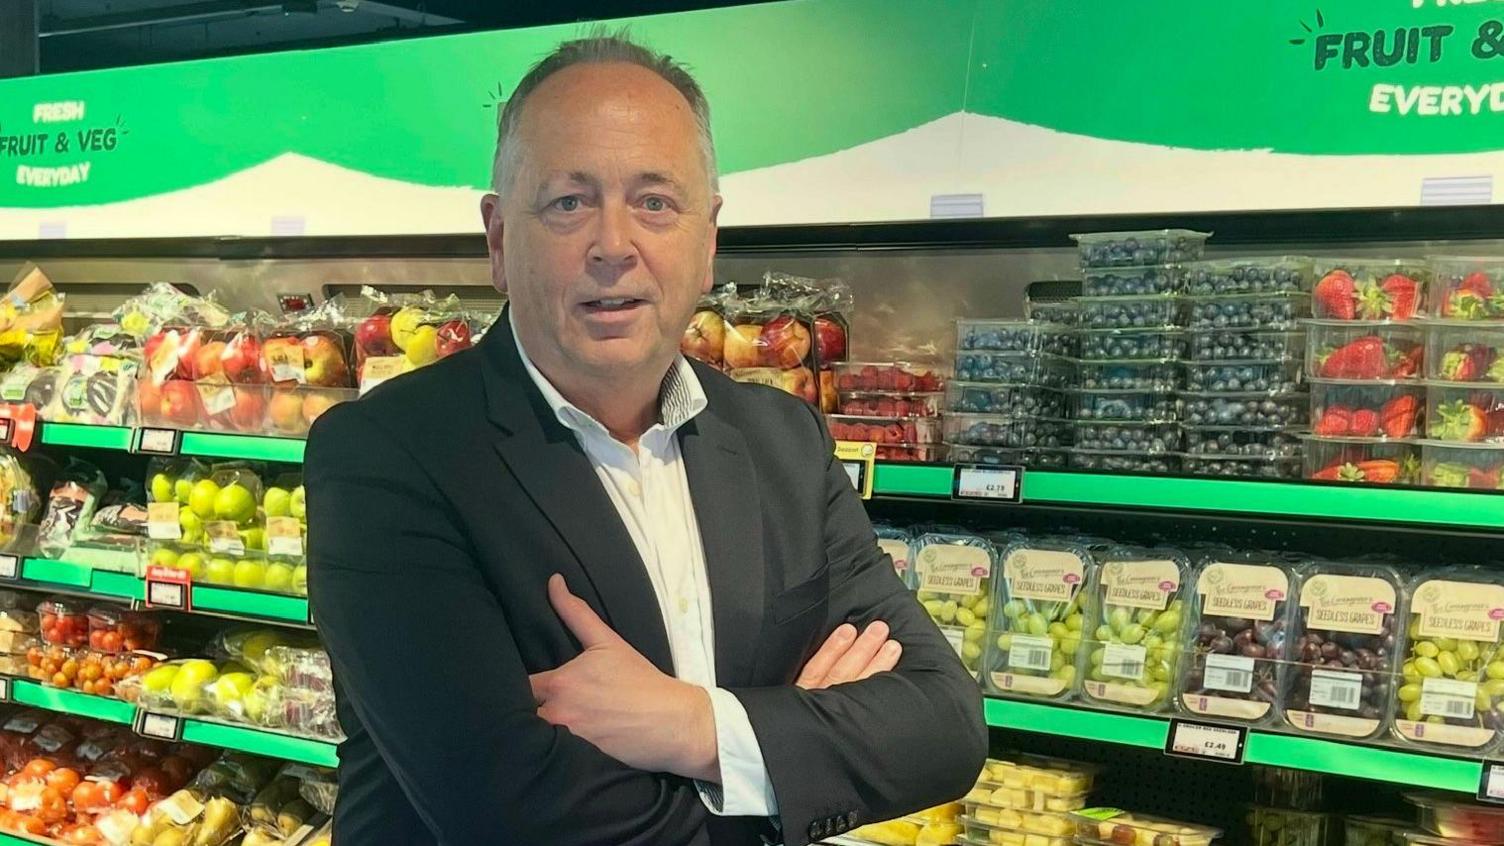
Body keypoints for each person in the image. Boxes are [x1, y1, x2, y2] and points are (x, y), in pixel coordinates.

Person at [305, 31, 986, 846]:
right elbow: (512, 810)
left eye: (655, 202)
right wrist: (785, 757)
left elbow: (942, 724)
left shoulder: (782, 440)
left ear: (708, 241)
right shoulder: (385, 453)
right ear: (496, 238)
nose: (614, 245)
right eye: (569, 201)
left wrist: (694, 726)